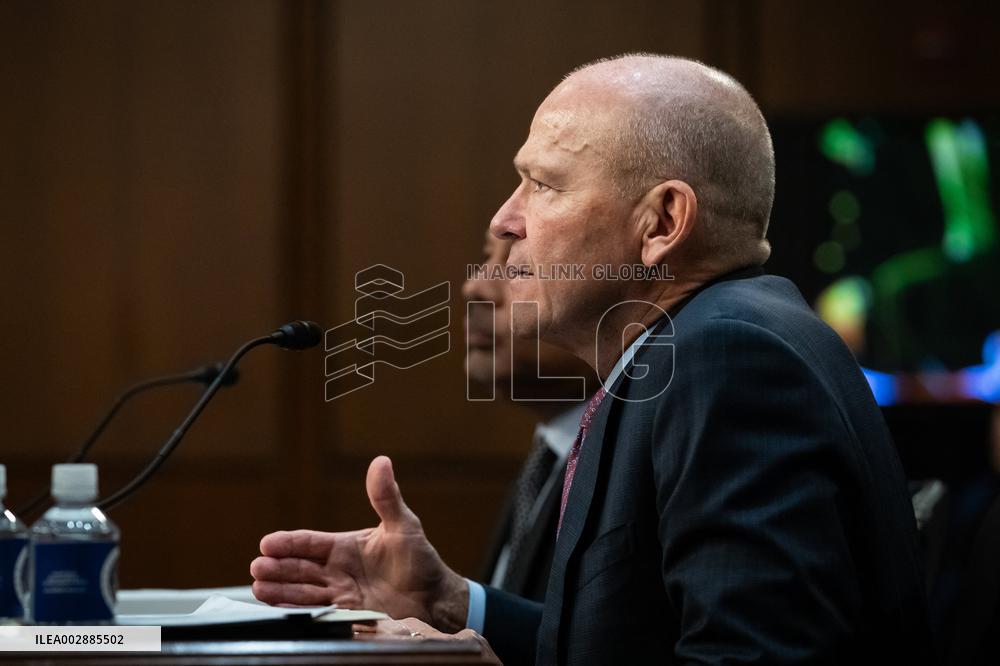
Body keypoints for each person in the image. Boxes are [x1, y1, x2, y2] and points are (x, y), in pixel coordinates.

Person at [251, 54, 933, 664]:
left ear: (662, 222)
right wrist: (455, 604)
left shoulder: (728, 359)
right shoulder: (687, 345)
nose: (504, 220)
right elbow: (633, 642)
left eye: (544, 186)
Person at [464, 231, 597, 600]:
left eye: (517, 267)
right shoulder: (548, 457)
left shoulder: (634, 466)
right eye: (486, 260)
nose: (475, 288)